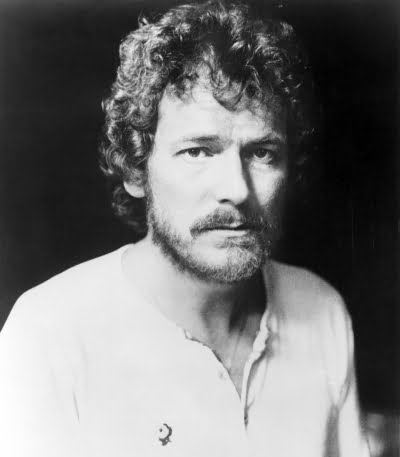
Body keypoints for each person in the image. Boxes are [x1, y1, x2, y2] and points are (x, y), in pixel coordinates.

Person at [0, 1, 370, 456]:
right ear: (136, 169)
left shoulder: (321, 310)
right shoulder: (47, 336)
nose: (237, 190)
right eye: (198, 151)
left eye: (262, 153)